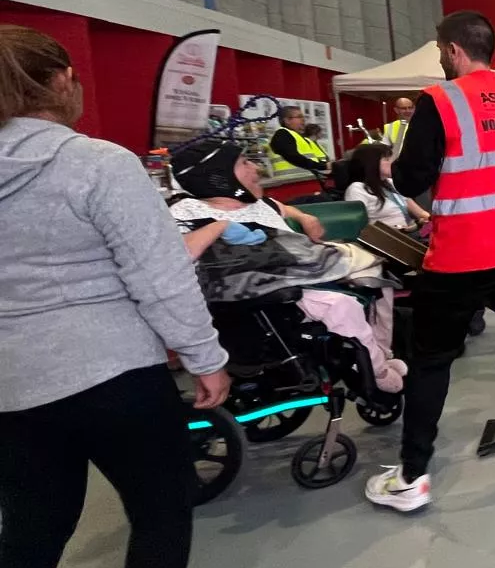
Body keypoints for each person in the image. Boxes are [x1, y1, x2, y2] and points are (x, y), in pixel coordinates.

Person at [0, 25, 230, 568]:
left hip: (14, 387)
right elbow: (159, 276)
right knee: (160, 514)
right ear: (61, 81)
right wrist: (205, 358)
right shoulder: (99, 164)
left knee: (30, 534)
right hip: (116, 374)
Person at [366, 10, 495, 513]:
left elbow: (410, 179)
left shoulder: (440, 100)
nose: (439, 57)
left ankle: (412, 476)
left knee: (432, 361)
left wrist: (399, 162)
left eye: (440, 49)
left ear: (453, 49)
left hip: (463, 254)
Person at [169, 142, 407, 394]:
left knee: (379, 278)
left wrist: (304, 217)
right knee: (342, 305)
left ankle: (382, 352)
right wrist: (219, 226)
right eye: (244, 163)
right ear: (218, 175)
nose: (256, 168)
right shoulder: (186, 212)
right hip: (261, 297)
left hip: (299, 273)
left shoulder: (260, 204)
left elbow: (284, 208)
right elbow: (176, 256)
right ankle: (378, 371)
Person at [345, 142, 430, 232]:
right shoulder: (357, 189)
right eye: (387, 159)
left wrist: (432, 220)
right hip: (387, 238)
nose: (392, 163)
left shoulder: (391, 183)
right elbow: (358, 229)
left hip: (410, 234)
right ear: (372, 164)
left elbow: (421, 213)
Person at [269, 105, 330, 178]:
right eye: (299, 117)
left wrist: (327, 164)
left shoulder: (297, 136)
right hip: (291, 182)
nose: (303, 119)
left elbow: (310, 159)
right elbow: (294, 157)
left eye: (303, 117)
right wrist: (323, 166)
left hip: (303, 180)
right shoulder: (282, 134)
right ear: (287, 120)